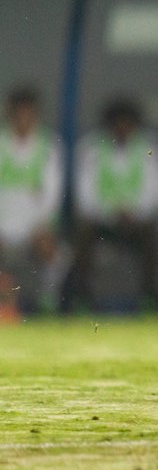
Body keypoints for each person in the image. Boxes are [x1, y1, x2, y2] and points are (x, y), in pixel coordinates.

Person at [68, 97, 158, 311]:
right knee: (83, 231)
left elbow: (154, 191)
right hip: (103, 221)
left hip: (136, 221)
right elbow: (85, 195)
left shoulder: (147, 147)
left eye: (128, 124)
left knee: (154, 233)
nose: (122, 129)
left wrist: (134, 211)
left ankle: (149, 297)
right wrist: (112, 211)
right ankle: (82, 296)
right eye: (117, 124)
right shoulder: (91, 147)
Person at [0, 87, 63, 316]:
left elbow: (52, 197)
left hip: (34, 224)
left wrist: (37, 226)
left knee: (49, 247)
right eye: (19, 114)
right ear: (10, 114)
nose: (24, 120)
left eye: (29, 114)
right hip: (3, 223)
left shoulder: (49, 146)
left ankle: (48, 302)